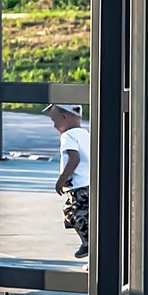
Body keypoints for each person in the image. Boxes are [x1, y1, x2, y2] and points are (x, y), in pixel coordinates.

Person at [43, 103, 90, 259]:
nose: (53, 125)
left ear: (64, 117)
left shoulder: (67, 136)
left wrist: (61, 180)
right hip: (89, 183)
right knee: (75, 213)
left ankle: (89, 243)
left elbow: (74, 158)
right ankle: (90, 245)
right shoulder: (85, 133)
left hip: (79, 186)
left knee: (76, 214)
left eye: (54, 120)